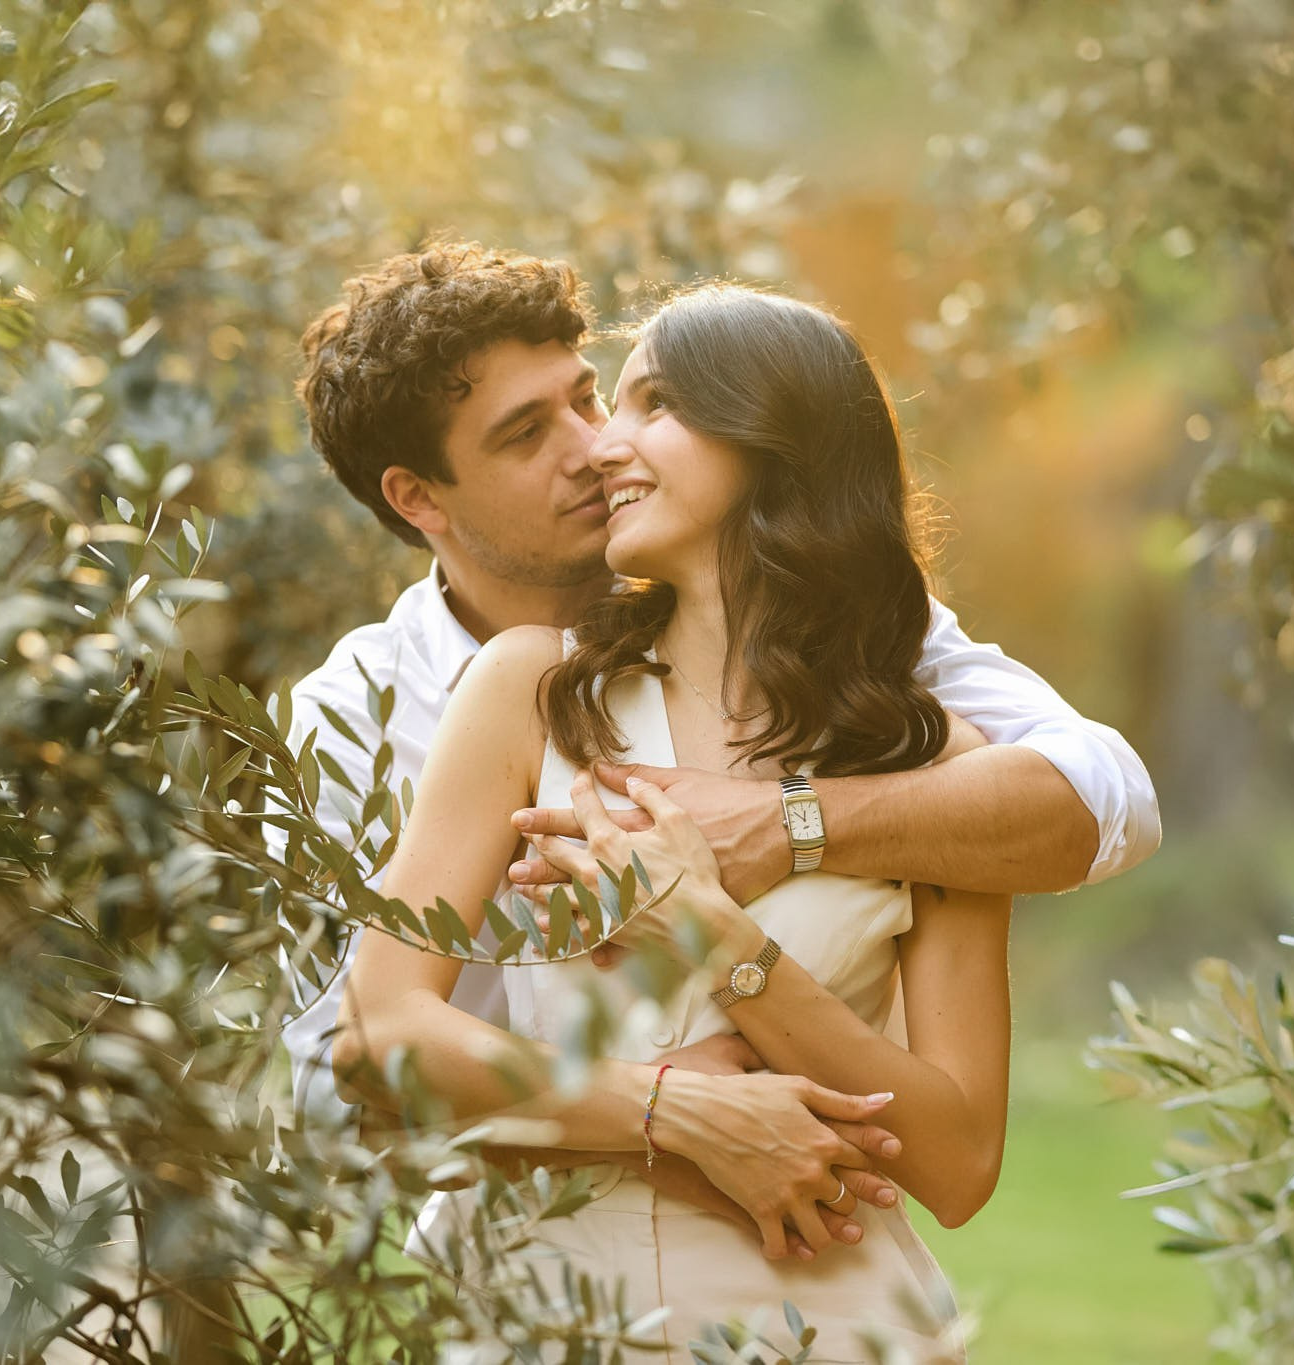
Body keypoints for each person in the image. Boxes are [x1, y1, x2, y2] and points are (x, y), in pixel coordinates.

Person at [277, 243, 1158, 1151]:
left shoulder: (840, 642)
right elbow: (332, 1088)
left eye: (587, 397)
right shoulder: (354, 720)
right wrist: (650, 1107)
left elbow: (1107, 795)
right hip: (538, 1251)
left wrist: (785, 822)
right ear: (417, 498)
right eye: (526, 433)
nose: (594, 449)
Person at [332, 281, 1027, 1359]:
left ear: (773, 442)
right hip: (535, 1305)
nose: (603, 443)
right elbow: (383, 1033)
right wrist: (674, 1109)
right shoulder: (526, 691)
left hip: (818, 1309)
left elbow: (957, 1162)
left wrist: (718, 940)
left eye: (651, 404)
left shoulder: (931, 769)